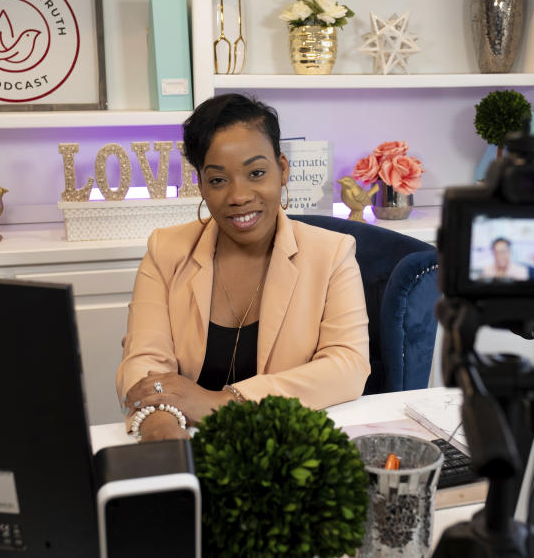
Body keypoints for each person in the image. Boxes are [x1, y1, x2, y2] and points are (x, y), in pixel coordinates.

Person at [116, 93, 371, 442]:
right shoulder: (166, 251)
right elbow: (144, 360)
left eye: (256, 173)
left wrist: (223, 402)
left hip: (287, 444)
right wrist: (160, 424)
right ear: (201, 184)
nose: (239, 195)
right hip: (191, 439)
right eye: (219, 180)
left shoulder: (331, 254)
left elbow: (347, 367)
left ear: (282, 170)